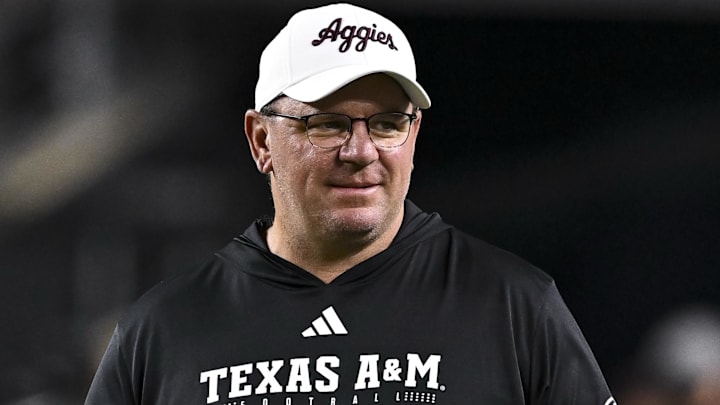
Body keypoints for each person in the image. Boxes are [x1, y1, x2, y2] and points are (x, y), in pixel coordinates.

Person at [85, 3, 616, 404]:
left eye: (387, 124)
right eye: (327, 123)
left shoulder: (514, 306)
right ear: (261, 140)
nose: (361, 152)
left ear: (414, 134)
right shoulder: (162, 330)